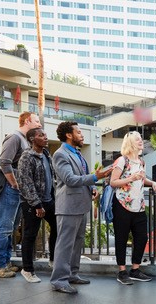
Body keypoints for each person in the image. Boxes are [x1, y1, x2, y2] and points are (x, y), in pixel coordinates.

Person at [51, 121, 111, 294]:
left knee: (77, 243)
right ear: (69, 135)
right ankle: (59, 280)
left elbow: (81, 176)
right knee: (65, 244)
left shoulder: (76, 153)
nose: (82, 135)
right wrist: (94, 177)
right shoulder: (60, 154)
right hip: (68, 206)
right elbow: (69, 179)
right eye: (78, 132)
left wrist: (92, 188)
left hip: (80, 205)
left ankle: (72, 274)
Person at [0, 112, 41, 278]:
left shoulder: (24, 139)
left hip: (18, 191)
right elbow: (4, 161)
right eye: (37, 121)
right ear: (27, 121)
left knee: (11, 228)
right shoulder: (15, 137)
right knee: (4, 227)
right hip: (10, 190)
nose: (39, 124)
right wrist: (14, 183)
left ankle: (5, 262)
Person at [109, 131, 156, 285]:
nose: (141, 141)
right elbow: (113, 182)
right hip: (122, 205)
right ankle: (122, 271)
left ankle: (135, 270)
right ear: (130, 143)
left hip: (138, 206)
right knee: (121, 238)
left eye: (141, 139)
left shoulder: (141, 162)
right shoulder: (121, 161)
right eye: (137, 140)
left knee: (141, 237)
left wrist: (152, 183)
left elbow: (141, 179)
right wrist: (130, 178)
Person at [17, 128, 57, 283]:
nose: (45, 137)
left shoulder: (47, 154)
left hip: (48, 201)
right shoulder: (26, 157)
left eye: (46, 134)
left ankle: (53, 259)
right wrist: (36, 204)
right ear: (32, 139)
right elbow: (25, 182)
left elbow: (53, 177)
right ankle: (27, 270)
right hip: (31, 203)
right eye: (41, 135)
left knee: (57, 227)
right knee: (30, 235)